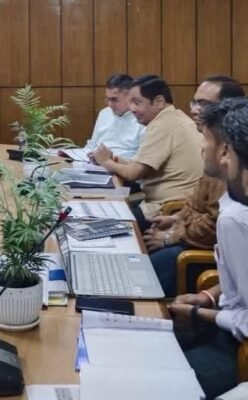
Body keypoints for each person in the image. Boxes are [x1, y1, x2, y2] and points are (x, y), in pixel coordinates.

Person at [169, 97, 248, 399]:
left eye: (205, 138)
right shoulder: (233, 202)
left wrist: (197, 313)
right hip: (228, 325)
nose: (201, 146)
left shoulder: (236, 219)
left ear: (225, 151)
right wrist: (209, 296)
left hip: (237, 348)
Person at [144, 76, 244, 297]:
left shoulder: (232, 165)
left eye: (204, 104)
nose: (195, 110)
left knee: (149, 268)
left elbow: (213, 226)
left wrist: (172, 236)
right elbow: (196, 203)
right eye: (195, 102)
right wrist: (175, 218)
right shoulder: (215, 155)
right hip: (196, 239)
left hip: (204, 254)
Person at [92, 75, 203, 230]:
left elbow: (133, 173)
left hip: (169, 209)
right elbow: (142, 164)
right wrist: (115, 159)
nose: (132, 109)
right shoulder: (174, 118)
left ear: (159, 101)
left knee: (102, 223)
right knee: (110, 208)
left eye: (137, 103)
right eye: (130, 102)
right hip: (171, 203)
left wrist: (106, 162)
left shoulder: (162, 126)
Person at [85, 73, 145, 159]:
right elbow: (92, 145)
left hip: (123, 165)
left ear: (130, 97)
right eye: (107, 99)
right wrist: (88, 154)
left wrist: (110, 160)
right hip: (94, 163)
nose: (109, 104)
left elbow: (142, 159)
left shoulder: (143, 118)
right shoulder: (104, 113)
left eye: (114, 99)